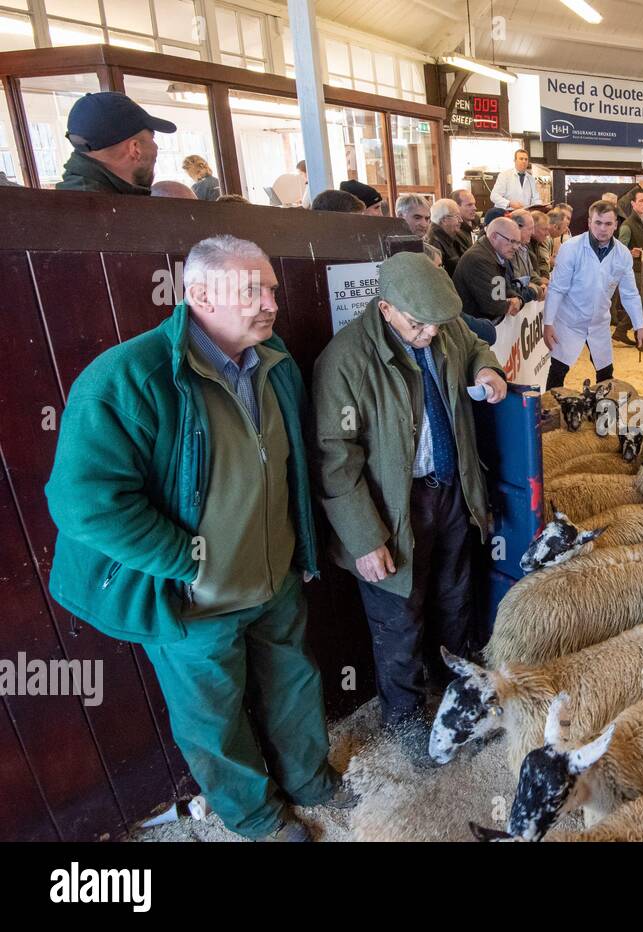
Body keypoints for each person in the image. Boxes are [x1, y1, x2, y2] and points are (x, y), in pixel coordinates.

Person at [45, 235, 349, 841]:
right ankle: (256, 817)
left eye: (270, 289)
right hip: (194, 597)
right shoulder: (128, 376)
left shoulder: (274, 362)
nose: (269, 303)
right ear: (200, 294)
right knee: (211, 717)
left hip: (274, 577)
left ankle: (310, 781)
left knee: (294, 681)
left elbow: (290, 469)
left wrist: (302, 551)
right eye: (251, 290)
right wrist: (181, 559)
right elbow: (83, 504)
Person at [312, 252, 506, 760]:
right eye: (417, 325)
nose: (429, 335)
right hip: (392, 510)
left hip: (451, 491)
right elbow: (335, 459)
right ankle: (404, 719)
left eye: (437, 325)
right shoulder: (345, 362)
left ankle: (456, 688)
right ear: (385, 309)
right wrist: (364, 538)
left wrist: (488, 372)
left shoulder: (443, 331)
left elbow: (476, 345)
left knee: (455, 594)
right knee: (399, 618)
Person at [543, 199, 643, 389]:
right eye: (598, 223)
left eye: (608, 224)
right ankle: (548, 415)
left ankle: (603, 415)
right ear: (589, 223)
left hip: (599, 323)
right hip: (570, 321)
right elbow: (557, 288)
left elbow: (630, 294)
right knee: (558, 371)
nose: (603, 229)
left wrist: (639, 327)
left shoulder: (622, 254)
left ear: (616, 225)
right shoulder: (571, 248)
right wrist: (548, 323)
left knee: (605, 374)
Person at [55, 91, 176, 194]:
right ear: (135, 149)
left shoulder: (72, 198)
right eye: (152, 138)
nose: (156, 147)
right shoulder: (98, 211)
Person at [453, 216, 529, 323]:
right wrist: (513, 302)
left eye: (518, 242)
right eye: (512, 241)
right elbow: (494, 306)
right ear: (494, 237)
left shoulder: (498, 254)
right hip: (476, 329)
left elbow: (505, 288)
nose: (516, 247)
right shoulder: (478, 259)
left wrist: (517, 298)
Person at [614, 187, 643, 345]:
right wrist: (630, 252)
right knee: (640, 304)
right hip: (634, 271)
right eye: (641, 201)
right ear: (633, 204)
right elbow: (619, 249)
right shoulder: (627, 225)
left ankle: (622, 331)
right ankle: (623, 331)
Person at [427, 197, 469, 274]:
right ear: (444, 220)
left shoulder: (458, 235)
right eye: (457, 216)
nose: (461, 220)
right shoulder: (433, 243)